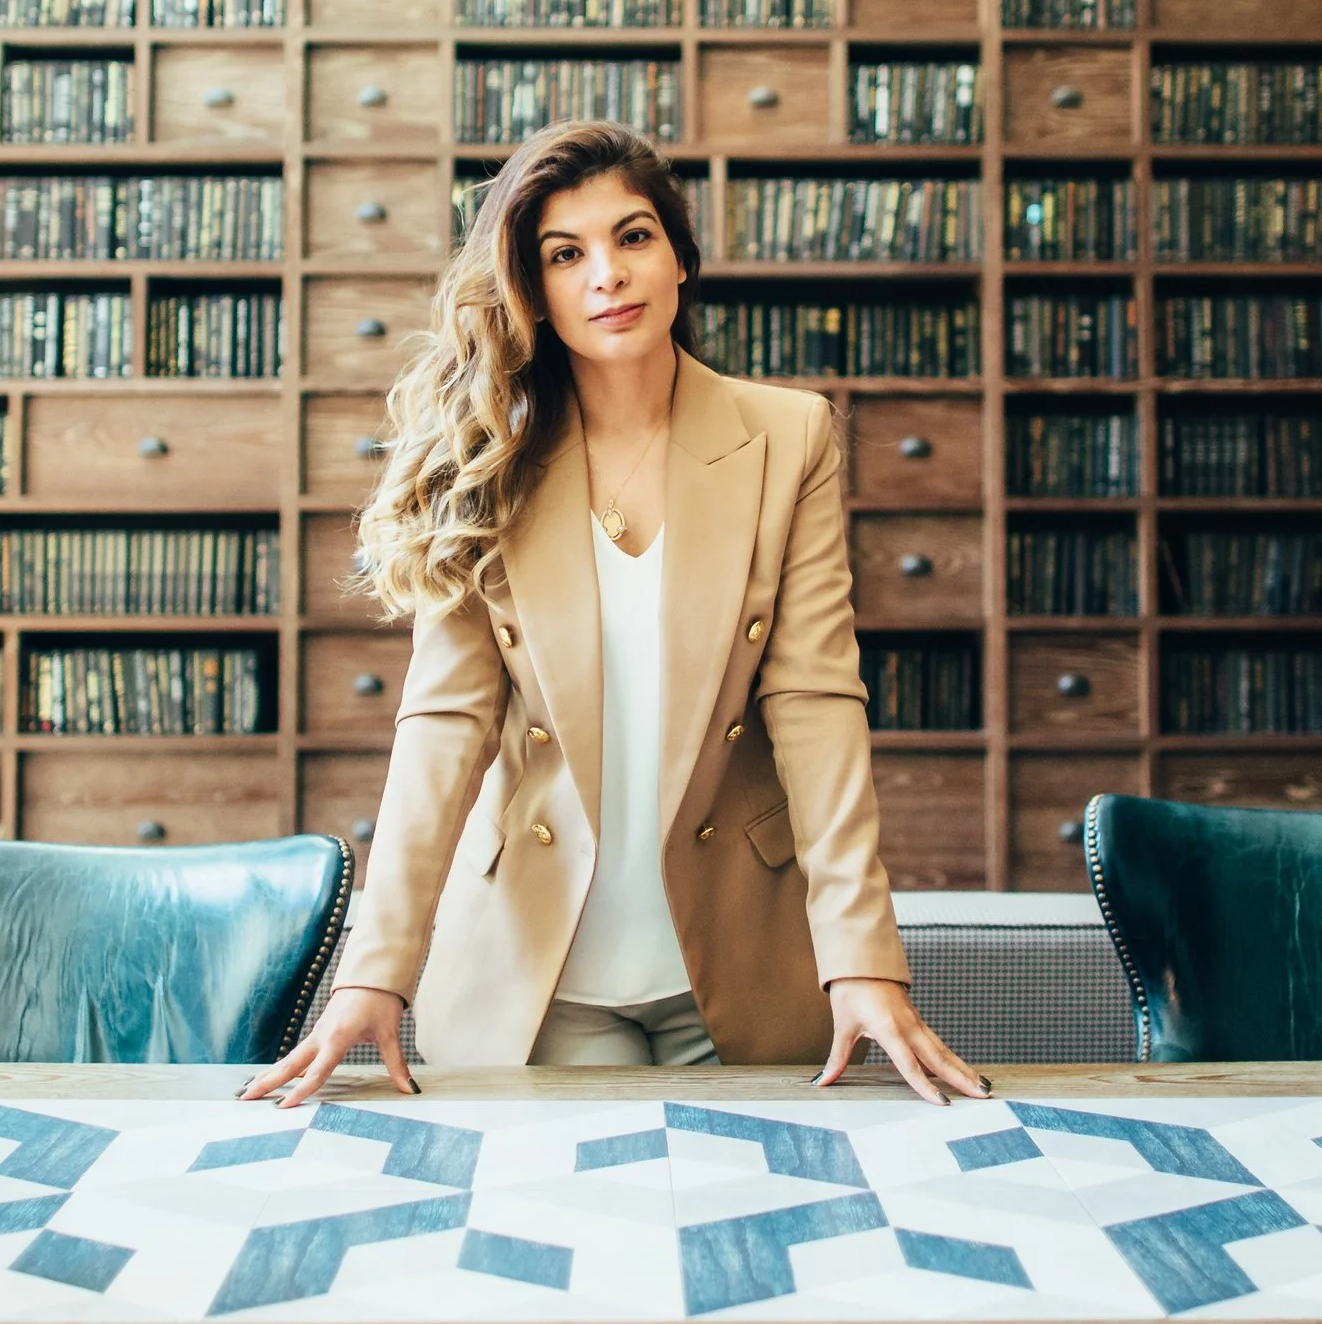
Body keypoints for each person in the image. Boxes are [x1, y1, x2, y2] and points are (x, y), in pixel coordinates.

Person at [240, 121, 987, 1108]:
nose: (607, 274)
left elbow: (814, 701)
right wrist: (375, 971)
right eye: (565, 253)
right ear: (533, 291)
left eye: (633, 237)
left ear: (680, 258)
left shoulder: (788, 434)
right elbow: (444, 727)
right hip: (536, 976)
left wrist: (862, 956)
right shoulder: (485, 459)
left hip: (740, 963)